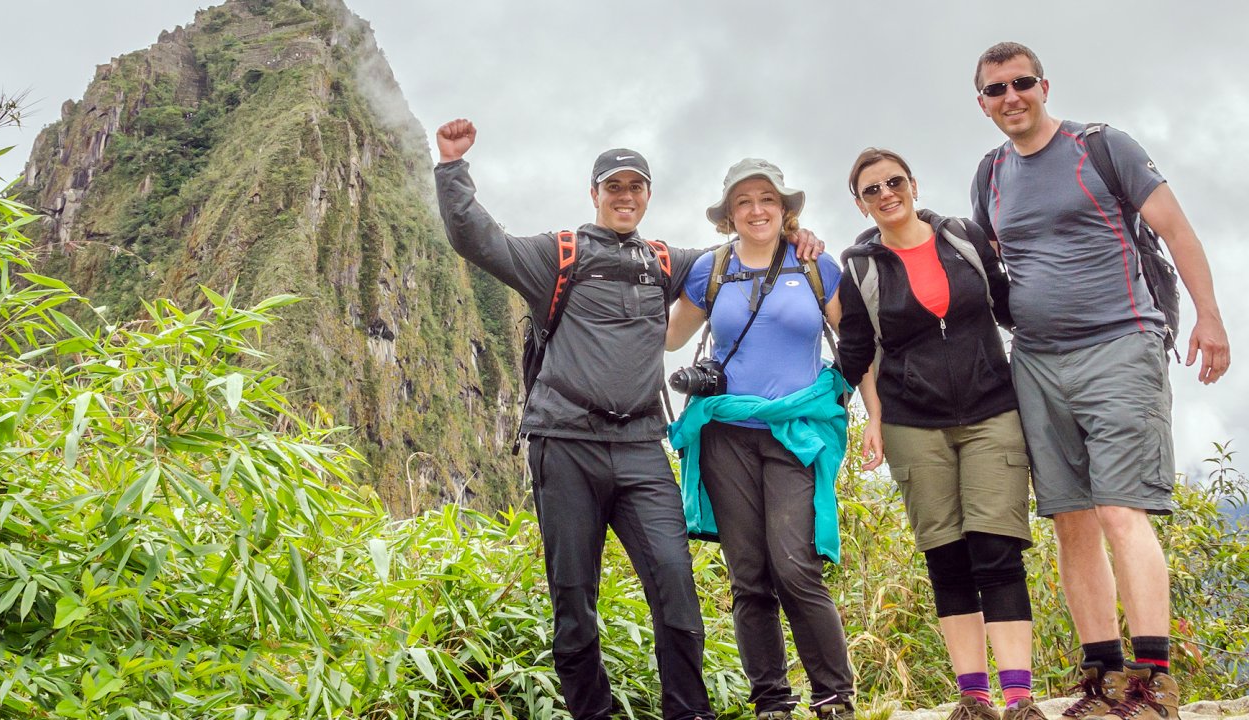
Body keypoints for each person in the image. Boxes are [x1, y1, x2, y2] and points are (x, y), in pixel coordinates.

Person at [434, 120, 823, 720]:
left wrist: (798, 240)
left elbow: (745, 251)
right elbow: (477, 239)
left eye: (635, 186)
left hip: (642, 446)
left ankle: (688, 711)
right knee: (573, 597)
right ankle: (594, 713)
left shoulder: (667, 261)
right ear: (595, 193)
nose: (624, 196)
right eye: (612, 185)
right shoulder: (556, 256)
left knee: (675, 587)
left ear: (648, 195)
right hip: (564, 444)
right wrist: (452, 168)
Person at [970, 42, 1232, 720]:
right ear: (983, 103)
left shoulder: (1100, 146)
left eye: (1021, 83)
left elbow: (1176, 229)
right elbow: (987, 262)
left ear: (1044, 85)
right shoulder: (990, 173)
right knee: (1071, 520)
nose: (1011, 97)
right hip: (1035, 359)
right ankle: (1103, 677)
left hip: (1120, 344)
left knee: (1120, 509)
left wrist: (1210, 317)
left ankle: (1154, 684)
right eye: (996, 89)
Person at [835, 148, 1043, 720]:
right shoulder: (861, 267)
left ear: (913, 184)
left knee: (997, 551)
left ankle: (1020, 697)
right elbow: (855, 349)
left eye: (893, 182)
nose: (885, 194)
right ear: (859, 202)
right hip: (912, 426)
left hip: (991, 413)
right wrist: (816, 402)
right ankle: (974, 698)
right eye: (871, 190)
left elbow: (1010, 305)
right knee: (947, 558)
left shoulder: (962, 238)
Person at [666, 158, 855, 720]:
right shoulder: (710, 268)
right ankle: (772, 700)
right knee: (749, 574)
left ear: (785, 208)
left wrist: (881, 414)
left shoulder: (815, 265)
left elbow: (858, 344)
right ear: (729, 214)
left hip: (794, 432)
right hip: (727, 434)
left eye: (767, 199)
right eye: (744, 201)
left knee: (796, 566)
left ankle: (834, 696)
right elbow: (671, 337)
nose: (756, 210)